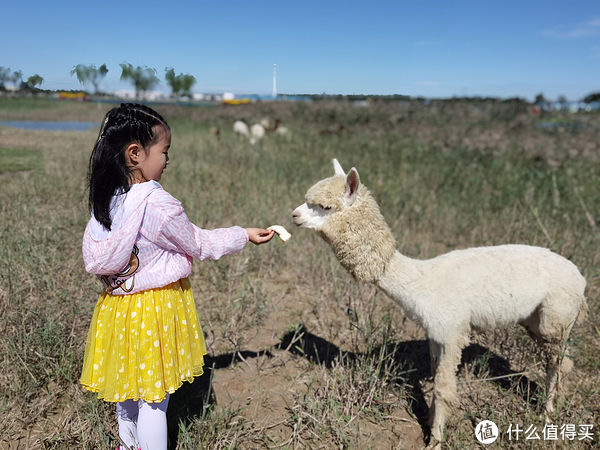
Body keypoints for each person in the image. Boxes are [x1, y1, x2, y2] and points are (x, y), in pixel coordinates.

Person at [80, 103, 274, 450]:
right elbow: (198, 243)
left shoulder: (108, 201)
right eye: (165, 152)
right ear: (135, 153)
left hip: (117, 311)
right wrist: (242, 234)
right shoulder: (157, 203)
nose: (168, 160)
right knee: (155, 399)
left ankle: (127, 446)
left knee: (125, 390)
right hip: (155, 309)